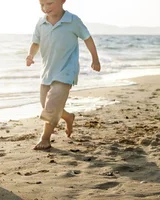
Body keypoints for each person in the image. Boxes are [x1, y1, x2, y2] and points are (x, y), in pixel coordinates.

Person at [26, 0, 101, 150]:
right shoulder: (41, 23)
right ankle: (68, 117)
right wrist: (30, 55)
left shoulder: (73, 21)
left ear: (62, 1)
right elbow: (35, 43)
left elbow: (87, 38)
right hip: (47, 72)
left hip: (67, 70)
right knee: (46, 105)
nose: (45, 8)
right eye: (42, 5)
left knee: (52, 106)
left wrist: (95, 59)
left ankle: (45, 138)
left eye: (49, 3)